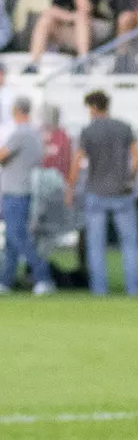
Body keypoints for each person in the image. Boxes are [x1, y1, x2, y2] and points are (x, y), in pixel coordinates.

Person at [70, 90, 138, 296]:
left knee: (96, 246)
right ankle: (134, 289)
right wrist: (131, 178)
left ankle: (100, 290)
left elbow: (77, 162)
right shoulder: (124, 127)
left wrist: (71, 188)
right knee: (129, 244)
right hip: (122, 191)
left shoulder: (88, 131)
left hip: (97, 191)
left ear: (93, 108)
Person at [0, 97, 55, 295]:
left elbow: (2, 155)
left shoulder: (20, 134)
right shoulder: (34, 133)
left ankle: (43, 276)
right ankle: (5, 281)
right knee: (12, 239)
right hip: (23, 188)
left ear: (16, 110)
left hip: (15, 190)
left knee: (18, 236)